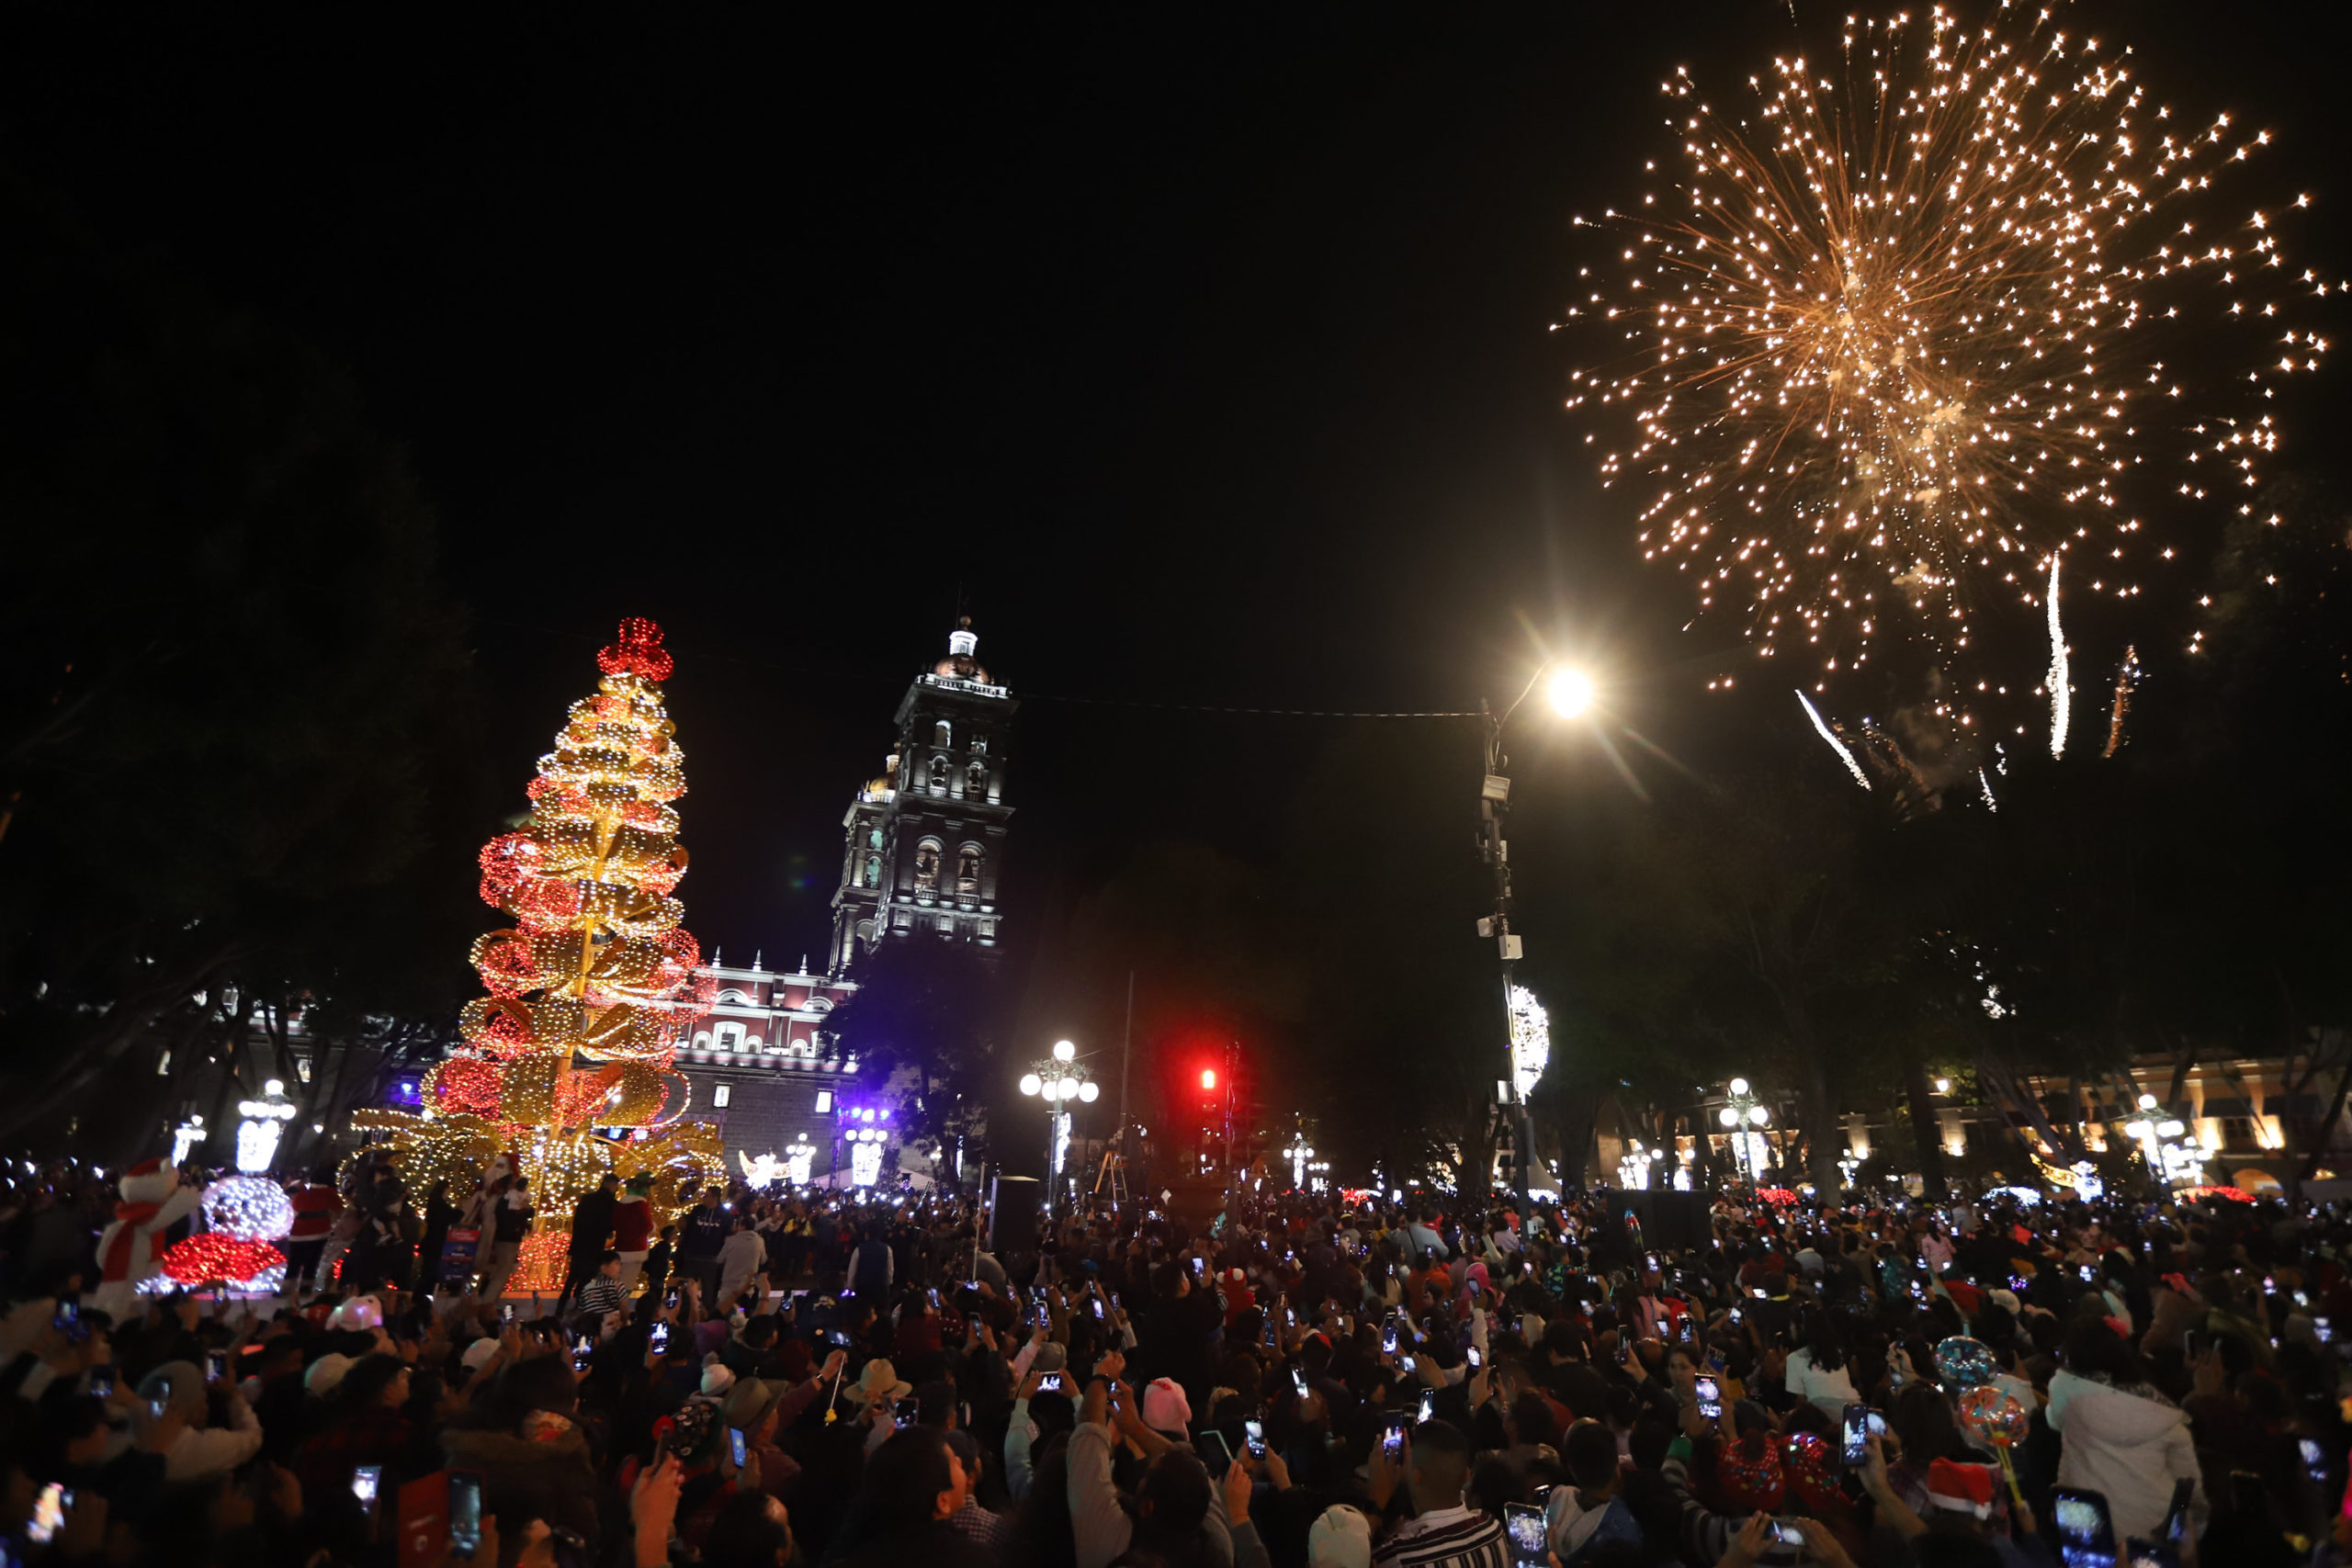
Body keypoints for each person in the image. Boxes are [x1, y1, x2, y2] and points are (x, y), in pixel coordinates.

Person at [2047, 1316, 2205, 1544]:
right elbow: (2191, 1491)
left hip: (2093, 1539)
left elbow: (2068, 1477)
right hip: (2155, 1536)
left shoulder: (2075, 1414)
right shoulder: (2165, 1416)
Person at [834, 1425, 1000, 1565]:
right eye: (953, 1462)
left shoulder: (860, 1552)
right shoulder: (975, 1559)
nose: (960, 1461)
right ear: (942, 1501)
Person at [1368, 1418, 1509, 1567]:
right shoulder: (1492, 1529)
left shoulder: (1397, 1558)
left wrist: (1377, 1500)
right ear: (1467, 1476)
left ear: (1417, 1476)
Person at [561, 1172, 621, 1311]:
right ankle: (577, 1308)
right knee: (585, 1279)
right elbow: (612, 1223)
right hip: (595, 1246)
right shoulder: (611, 1204)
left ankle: (560, 1308)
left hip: (580, 1244)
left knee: (572, 1278)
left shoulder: (587, 1199)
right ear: (612, 1185)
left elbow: (577, 1221)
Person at [477, 1175, 533, 1303]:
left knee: (503, 1271)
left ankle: (491, 1301)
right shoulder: (504, 1200)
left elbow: (527, 1212)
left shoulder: (509, 1199)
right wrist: (518, 1219)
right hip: (507, 1238)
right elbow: (505, 1217)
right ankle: (487, 1302)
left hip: (509, 1237)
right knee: (502, 1271)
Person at [614, 1172, 656, 1292]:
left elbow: (615, 1223)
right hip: (636, 1249)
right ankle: (621, 1307)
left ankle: (613, 1306)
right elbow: (647, 1225)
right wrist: (653, 1227)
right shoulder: (641, 1205)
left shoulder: (620, 1205)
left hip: (620, 1246)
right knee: (627, 1283)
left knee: (618, 1280)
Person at [718, 1213, 768, 1309]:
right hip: (748, 1285)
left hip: (729, 1284)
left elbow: (720, 1259)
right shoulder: (759, 1241)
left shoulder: (731, 1240)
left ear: (742, 1226)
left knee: (725, 1311)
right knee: (743, 1314)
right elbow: (763, 1260)